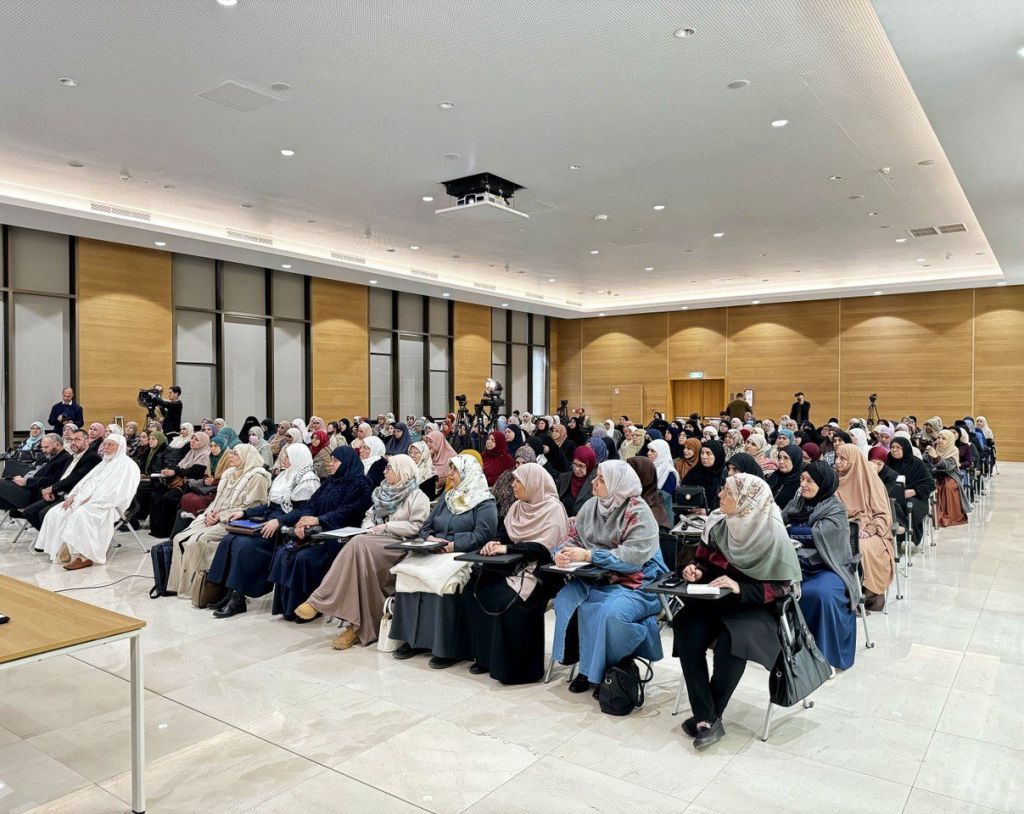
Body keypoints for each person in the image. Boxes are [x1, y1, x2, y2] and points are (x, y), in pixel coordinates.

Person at [673, 473, 800, 748]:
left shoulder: (772, 533)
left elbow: (783, 587)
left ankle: (707, 717)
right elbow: (702, 560)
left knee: (731, 643)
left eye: (728, 493)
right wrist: (696, 570)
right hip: (716, 598)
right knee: (685, 625)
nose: (720, 495)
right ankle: (707, 716)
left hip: (755, 607)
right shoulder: (717, 523)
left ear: (747, 501)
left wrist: (740, 587)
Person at [551, 460, 667, 694]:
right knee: (565, 600)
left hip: (637, 582)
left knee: (609, 613)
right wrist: (561, 553)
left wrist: (589, 555)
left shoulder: (638, 512)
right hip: (595, 577)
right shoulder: (591, 506)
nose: (594, 482)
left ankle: (605, 670)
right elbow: (572, 537)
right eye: (596, 477)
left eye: (601, 479)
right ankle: (586, 665)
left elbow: (631, 558)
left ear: (617, 484)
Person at [293, 454, 432, 647]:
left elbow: (417, 527)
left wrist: (387, 527)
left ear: (403, 471)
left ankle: (319, 600)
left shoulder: (417, 497)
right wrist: (370, 527)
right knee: (359, 567)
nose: (384, 471)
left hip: (397, 545)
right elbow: (368, 515)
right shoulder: (382, 492)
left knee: (357, 544)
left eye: (389, 468)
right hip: (372, 541)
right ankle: (356, 627)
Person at [463, 463, 568, 684]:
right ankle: (487, 658)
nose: (513, 485)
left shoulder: (553, 509)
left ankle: (516, 669)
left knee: (508, 599)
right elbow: (504, 534)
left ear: (533, 484)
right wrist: (494, 543)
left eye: (518, 481)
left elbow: (544, 549)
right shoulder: (517, 507)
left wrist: (507, 549)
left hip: (541, 572)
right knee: (478, 586)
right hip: (512, 565)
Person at [389, 455, 498, 667]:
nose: (450, 474)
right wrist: (431, 540)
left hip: (462, 553)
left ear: (468, 473)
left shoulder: (484, 501)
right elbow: (425, 527)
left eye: (455, 470)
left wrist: (453, 545)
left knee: (443, 579)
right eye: (450, 469)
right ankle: (413, 640)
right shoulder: (447, 498)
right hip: (434, 550)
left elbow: (484, 534)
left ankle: (446, 647)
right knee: (407, 571)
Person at [204, 444, 321, 612]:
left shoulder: (308, 479)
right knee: (229, 539)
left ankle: (238, 597)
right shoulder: (284, 475)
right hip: (269, 521)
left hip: (284, 527)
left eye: (287, 456)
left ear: (297, 458)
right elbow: (269, 506)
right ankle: (227, 592)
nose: (283, 459)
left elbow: (302, 511)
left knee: (243, 545)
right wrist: (244, 513)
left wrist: (278, 521)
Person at [267, 446, 374, 621]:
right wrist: (303, 520)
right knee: (284, 552)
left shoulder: (361, 483)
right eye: (331, 460)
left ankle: (312, 606)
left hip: (339, 535)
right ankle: (288, 607)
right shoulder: (331, 482)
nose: (330, 464)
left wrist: (319, 520)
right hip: (318, 531)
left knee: (304, 558)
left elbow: (350, 511)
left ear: (346, 463)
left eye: (335, 461)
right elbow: (311, 503)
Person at [166, 444, 271, 600]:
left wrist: (220, 516)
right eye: (231, 453)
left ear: (247, 457)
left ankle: (197, 590)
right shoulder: (229, 473)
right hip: (214, 516)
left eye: (235, 454)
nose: (230, 456)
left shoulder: (257, 477)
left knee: (198, 541)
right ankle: (177, 585)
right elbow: (217, 501)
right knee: (178, 538)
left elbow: (253, 507)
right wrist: (209, 514)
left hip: (234, 520)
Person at [782, 462, 858, 670]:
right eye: (802, 479)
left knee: (819, 594)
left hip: (828, 568)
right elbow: (778, 525)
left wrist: (792, 531)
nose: (803, 484)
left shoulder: (835, 509)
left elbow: (819, 534)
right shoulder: (796, 504)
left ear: (823, 484)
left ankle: (823, 657)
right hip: (795, 565)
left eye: (810, 481)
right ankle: (789, 650)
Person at [37, 435, 141, 569]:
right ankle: (61, 552)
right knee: (56, 512)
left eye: (110, 444)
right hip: (84, 499)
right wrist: (73, 495)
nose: (105, 447)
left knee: (81, 514)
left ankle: (84, 556)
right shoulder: (104, 462)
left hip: (106, 504)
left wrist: (92, 499)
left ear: (120, 447)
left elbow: (118, 492)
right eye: (105, 444)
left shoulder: (128, 465)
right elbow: (84, 482)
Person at [834, 443, 894, 609]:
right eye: (836, 457)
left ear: (854, 461)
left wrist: (870, 529)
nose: (837, 462)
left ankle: (863, 595)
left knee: (861, 547)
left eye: (843, 459)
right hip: (841, 526)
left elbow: (882, 514)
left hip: (871, 529)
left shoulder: (870, 480)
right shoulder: (833, 480)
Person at [24, 430, 102, 532]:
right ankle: (51, 536)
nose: (73, 442)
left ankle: (57, 537)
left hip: (74, 495)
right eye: (71, 440)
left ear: (86, 440)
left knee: (44, 514)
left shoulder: (92, 457)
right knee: (29, 512)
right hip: (59, 493)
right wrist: (50, 490)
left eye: (77, 439)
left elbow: (75, 478)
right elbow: (61, 478)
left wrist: (52, 488)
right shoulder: (72, 457)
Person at [148, 431, 212, 538]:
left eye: (196, 440)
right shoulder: (191, 452)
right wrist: (169, 471)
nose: (192, 441)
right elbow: (179, 466)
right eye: (192, 438)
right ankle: (156, 530)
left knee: (168, 497)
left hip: (191, 485)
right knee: (155, 495)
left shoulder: (204, 455)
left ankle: (166, 531)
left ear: (203, 442)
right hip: (180, 482)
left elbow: (194, 472)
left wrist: (174, 472)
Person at [0, 433, 70, 512]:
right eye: (42, 447)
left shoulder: (63, 459)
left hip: (34, 494)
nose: (44, 450)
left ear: (57, 445)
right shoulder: (51, 457)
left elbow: (50, 480)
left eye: (46, 447)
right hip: (30, 488)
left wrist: (26, 481)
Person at [886, 437, 935, 543]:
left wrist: (914, 491)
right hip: (891, 495)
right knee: (890, 504)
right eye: (892, 447)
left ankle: (903, 534)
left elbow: (930, 484)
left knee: (908, 505)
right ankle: (893, 538)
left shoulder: (916, 463)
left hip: (915, 497)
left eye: (898, 447)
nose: (894, 450)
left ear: (905, 449)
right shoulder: (887, 461)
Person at [556, 444, 597, 517]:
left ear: (589, 465)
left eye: (581, 466)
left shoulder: (595, 484)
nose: (577, 469)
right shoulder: (563, 478)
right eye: (575, 464)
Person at [768, 443, 804, 510]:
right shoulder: (774, 475)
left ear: (795, 460)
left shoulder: (801, 483)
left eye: (786, 458)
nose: (781, 462)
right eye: (779, 458)